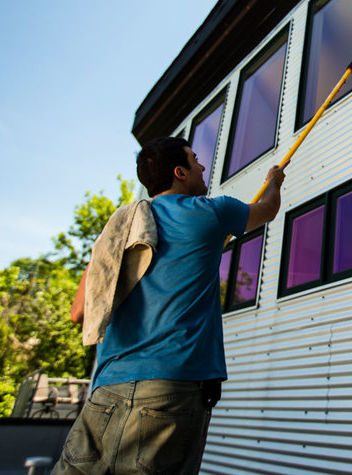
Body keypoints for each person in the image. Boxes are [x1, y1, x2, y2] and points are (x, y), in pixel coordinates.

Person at [53, 136, 284, 474]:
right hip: (171, 392)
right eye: (195, 160)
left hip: (106, 393)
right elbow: (268, 209)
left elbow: (79, 312)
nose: (203, 166)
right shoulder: (213, 212)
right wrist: (273, 182)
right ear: (180, 172)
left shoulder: (120, 231)